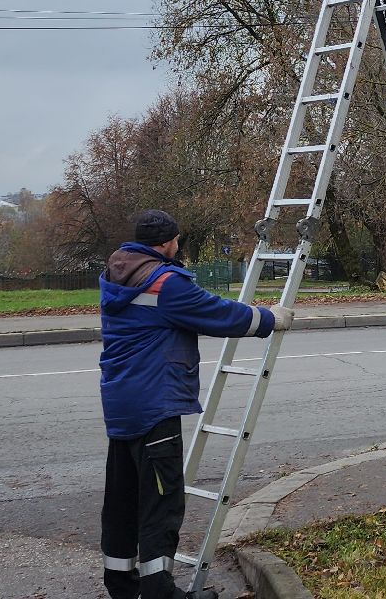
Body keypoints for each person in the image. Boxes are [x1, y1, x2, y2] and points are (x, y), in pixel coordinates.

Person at [99, 210, 294, 599]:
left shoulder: (115, 275)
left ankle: (121, 585)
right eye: (177, 240)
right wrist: (270, 318)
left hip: (121, 404)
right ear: (168, 242)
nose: (178, 246)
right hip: (156, 404)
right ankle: (159, 593)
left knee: (122, 499)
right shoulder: (165, 283)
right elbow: (217, 313)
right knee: (161, 501)